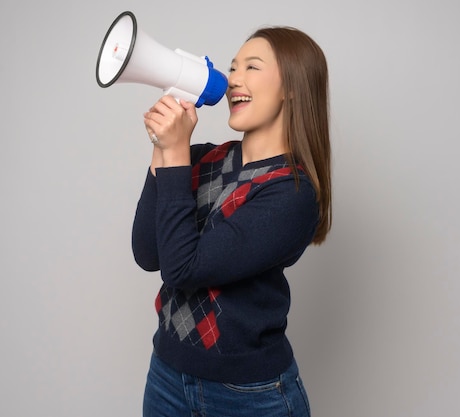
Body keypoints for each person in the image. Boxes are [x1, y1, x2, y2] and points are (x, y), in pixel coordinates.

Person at [132, 24, 331, 417]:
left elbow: (182, 269)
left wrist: (175, 155)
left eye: (251, 68)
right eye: (232, 67)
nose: (233, 79)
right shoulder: (202, 158)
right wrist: (163, 153)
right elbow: (148, 253)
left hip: (247, 396)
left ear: (292, 86)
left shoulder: (291, 193)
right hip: (167, 376)